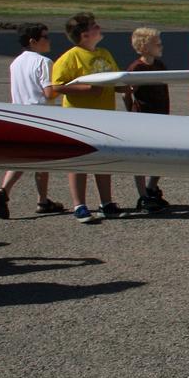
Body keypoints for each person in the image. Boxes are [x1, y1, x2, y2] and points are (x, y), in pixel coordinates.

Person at [51, 12, 121, 221]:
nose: (98, 27)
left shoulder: (104, 53)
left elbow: (115, 77)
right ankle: (79, 205)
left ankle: (106, 202)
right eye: (93, 26)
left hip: (105, 115)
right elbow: (58, 86)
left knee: (104, 159)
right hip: (79, 118)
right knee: (80, 161)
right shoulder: (71, 56)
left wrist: (124, 88)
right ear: (84, 35)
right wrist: (87, 90)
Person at [0, 23, 66, 218]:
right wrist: (69, 86)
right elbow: (49, 93)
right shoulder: (44, 62)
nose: (49, 41)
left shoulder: (15, 62)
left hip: (19, 113)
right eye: (45, 37)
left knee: (26, 158)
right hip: (40, 115)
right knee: (40, 161)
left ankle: (18, 193)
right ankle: (28, 197)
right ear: (33, 41)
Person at [123, 27, 171, 213]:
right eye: (155, 42)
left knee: (163, 155)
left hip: (161, 117)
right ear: (143, 47)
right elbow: (127, 93)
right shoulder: (137, 68)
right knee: (142, 157)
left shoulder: (160, 65)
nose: (160, 45)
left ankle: (152, 187)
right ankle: (143, 195)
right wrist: (131, 112)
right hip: (143, 119)